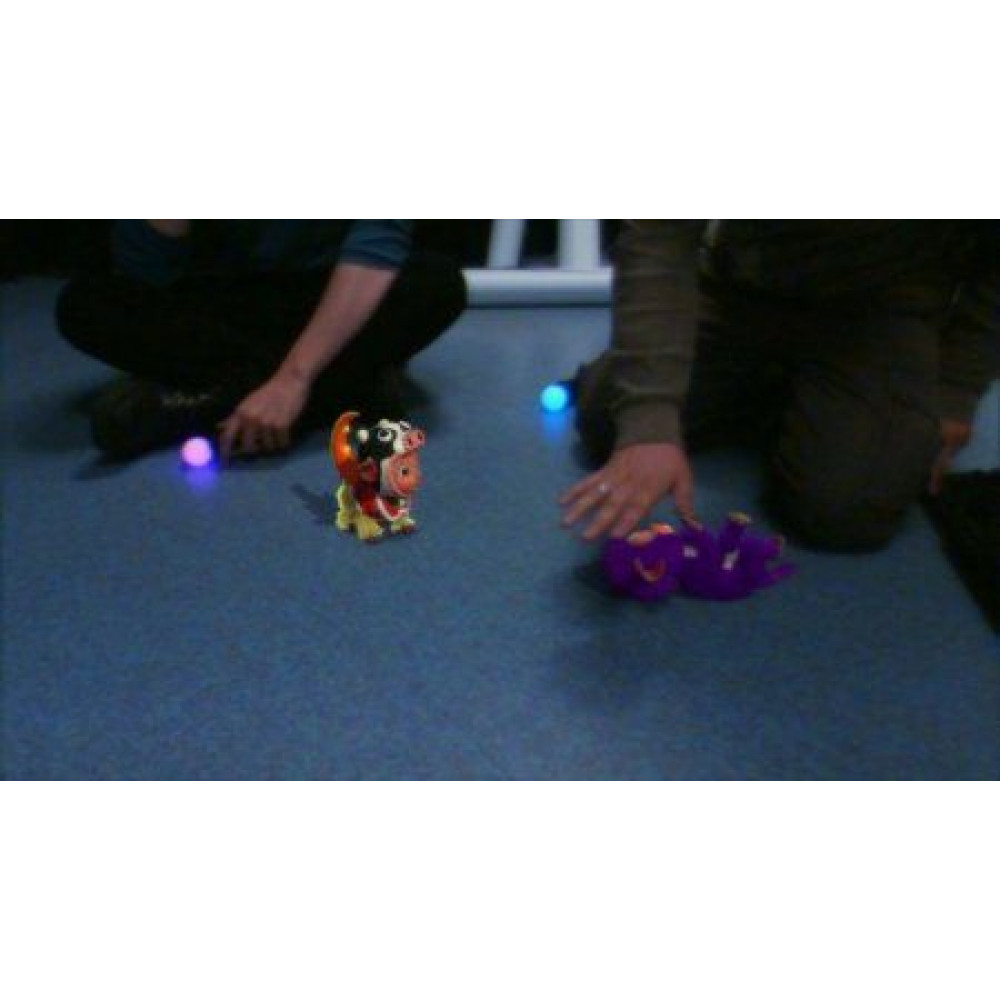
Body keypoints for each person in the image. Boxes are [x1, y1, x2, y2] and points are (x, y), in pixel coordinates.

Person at [561, 221, 999, 551]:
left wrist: (955, 391)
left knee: (846, 513)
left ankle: (803, 399)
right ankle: (789, 394)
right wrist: (649, 422)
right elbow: (659, 237)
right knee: (607, 420)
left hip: (882, 308)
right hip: (745, 284)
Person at [56, 220, 467, 459]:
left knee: (436, 284)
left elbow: (376, 248)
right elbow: (145, 275)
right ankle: (351, 386)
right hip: (225, 303)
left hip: (327, 295)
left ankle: (201, 402)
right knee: (86, 304)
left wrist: (293, 380)